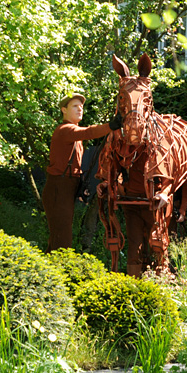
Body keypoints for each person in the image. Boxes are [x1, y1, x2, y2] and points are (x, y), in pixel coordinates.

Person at [42, 93, 122, 253]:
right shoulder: (65, 130)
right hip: (59, 187)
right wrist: (110, 126)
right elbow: (88, 132)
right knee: (62, 239)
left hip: (65, 187)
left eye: (81, 106)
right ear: (64, 110)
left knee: (59, 237)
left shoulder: (74, 132)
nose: (80, 109)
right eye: (74, 106)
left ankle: (49, 267)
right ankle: (59, 267)